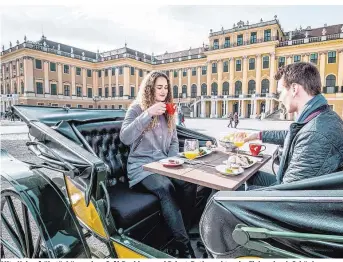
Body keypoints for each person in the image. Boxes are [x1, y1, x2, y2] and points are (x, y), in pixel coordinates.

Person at [119, 71, 196, 258]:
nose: (163, 91)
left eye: (166, 87)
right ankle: (185, 249)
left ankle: (179, 231)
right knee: (165, 187)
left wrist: (171, 161)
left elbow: (173, 142)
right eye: (159, 87)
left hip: (162, 165)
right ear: (150, 88)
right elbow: (125, 138)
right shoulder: (136, 109)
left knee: (189, 183)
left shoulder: (168, 111)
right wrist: (148, 113)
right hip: (142, 168)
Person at [244, 62, 343, 190]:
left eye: (281, 92)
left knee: (221, 195)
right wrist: (256, 135)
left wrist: (234, 195)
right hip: (287, 186)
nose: (279, 98)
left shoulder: (314, 134)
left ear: (294, 89)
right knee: (250, 176)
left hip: (289, 199)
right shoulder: (321, 116)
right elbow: (293, 135)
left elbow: (287, 196)